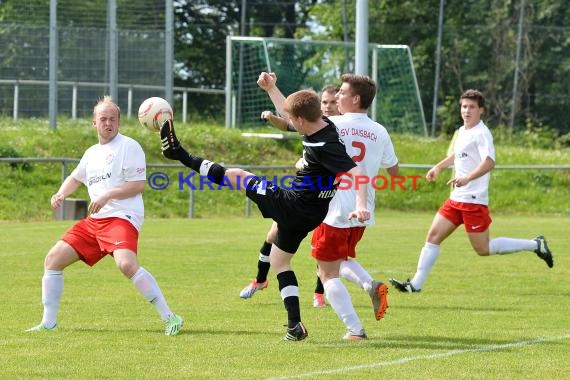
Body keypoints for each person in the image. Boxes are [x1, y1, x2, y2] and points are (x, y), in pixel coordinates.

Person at [159, 87, 370, 341]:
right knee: (280, 262)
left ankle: (178, 153)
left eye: (293, 120)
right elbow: (288, 111)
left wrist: (361, 205)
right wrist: (271, 88)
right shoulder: (324, 124)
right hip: (311, 213)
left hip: (293, 205)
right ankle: (294, 326)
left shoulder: (325, 144)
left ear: (301, 120)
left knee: (238, 176)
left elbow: (357, 173)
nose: (290, 122)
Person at [250, 72, 399, 340]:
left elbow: (292, 120)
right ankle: (370, 284)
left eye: (341, 93)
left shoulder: (333, 124)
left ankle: (355, 329)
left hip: (331, 208)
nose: (335, 97)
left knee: (327, 272)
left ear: (355, 98)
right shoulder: (380, 131)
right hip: (362, 212)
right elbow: (395, 172)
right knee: (340, 260)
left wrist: (272, 89)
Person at [26, 96, 183, 336]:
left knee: (126, 264)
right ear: (94, 123)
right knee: (53, 259)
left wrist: (107, 195)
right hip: (94, 222)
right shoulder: (91, 153)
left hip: (122, 217)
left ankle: (170, 317)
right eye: (103, 119)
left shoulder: (128, 146)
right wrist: (60, 193)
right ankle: (48, 323)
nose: (108, 123)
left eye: (112, 119)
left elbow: (138, 185)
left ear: (119, 122)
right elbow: (76, 178)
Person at [390, 89, 554, 293]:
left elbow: (490, 161)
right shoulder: (462, 131)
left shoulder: (482, 133)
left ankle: (535, 245)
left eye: (471, 107)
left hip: (473, 201)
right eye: (464, 106)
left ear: (481, 110)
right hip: (455, 199)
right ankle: (415, 285)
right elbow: (457, 156)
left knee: (483, 249)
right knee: (433, 237)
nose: (466, 111)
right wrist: (438, 167)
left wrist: (467, 178)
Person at [240, 84, 341, 308]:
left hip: (330, 198)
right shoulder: (317, 124)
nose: (328, 106)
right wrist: (272, 99)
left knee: (325, 251)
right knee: (273, 236)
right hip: (308, 196)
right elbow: (288, 122)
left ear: (343, 102)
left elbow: (350, 169)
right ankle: (260, 280)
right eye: (325, 102)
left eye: (333, 102)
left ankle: (320, 293)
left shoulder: (334, 129)